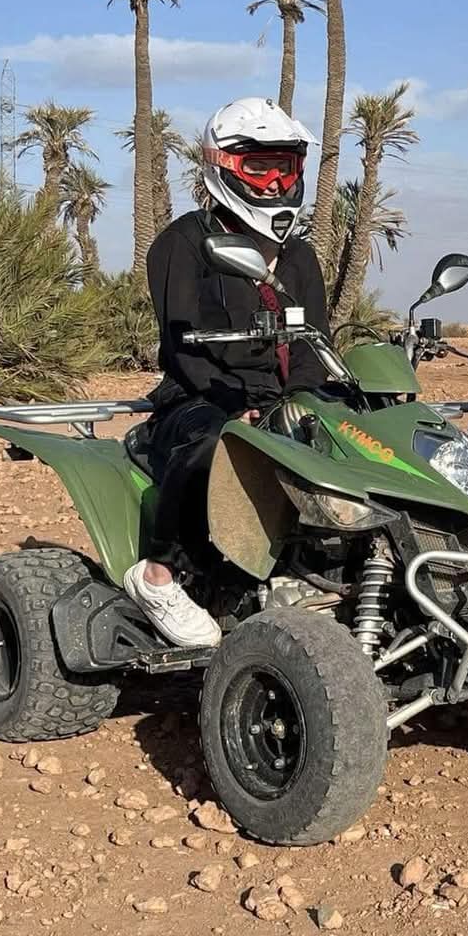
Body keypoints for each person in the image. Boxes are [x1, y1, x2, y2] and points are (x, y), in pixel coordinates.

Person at [123, 97, 331, 648]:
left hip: (283, 399)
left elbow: (315, 343)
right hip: (197, 399)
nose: (272, 180)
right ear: (223, 165)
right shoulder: (182, 242)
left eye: (283, 166)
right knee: (219, 441)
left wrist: (304, 401)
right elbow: (183, 343)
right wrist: (240, 405)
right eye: (257, 166)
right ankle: (159, 576)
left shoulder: (301, 256)